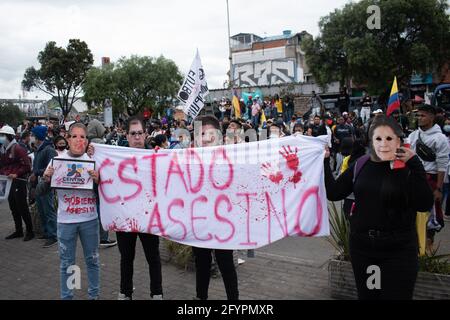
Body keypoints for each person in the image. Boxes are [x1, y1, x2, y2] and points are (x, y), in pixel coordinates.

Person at [324, 115, 434, 299]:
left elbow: (424, 204)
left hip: (398, 251)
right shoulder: (360, 164)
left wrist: (415, 165)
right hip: (364, 250)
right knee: (369, 296)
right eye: (378, 138)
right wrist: (325, 162)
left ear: (399, 140)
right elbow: (334, 193)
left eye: (389, 138)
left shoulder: (407, 168)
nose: (384, 143)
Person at [91, 116, 163, 300]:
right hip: (124, 217)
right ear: (127, 135)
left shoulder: (156, 156)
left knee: (153, 258)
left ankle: (157, 293)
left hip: (149, 217)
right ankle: (125, 292)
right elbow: (99, 182)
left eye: (140, 133)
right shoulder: (114, 157)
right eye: (133, 133)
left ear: (145, 134)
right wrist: (94, 157)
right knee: (126, 258)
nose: (137, 137)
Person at [41, 122, 100, 300]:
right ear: (67, 139)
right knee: (68, 264)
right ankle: (68, 296)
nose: (78, 140)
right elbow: (40, 192)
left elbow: (104, 194)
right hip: (66, 221)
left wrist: (98, 182)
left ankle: (94, 296)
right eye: (74, 136)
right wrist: (45, 179)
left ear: (87, 140)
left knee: (93, 261)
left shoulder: (93, 161)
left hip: (89, 219)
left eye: (82, 136)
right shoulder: (56, 161)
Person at [192, 115, 239, 300]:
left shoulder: (232, 160)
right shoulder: (189, 160)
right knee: (202, 266)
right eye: (202, 133)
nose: (205, 138)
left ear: (218, 136)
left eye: (210, 134)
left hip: (223, 224)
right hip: (200, 224)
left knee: (226, 265)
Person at [408, 104, 450, 248]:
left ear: (431, 117)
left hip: (430, 181)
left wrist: (438, 188)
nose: (419, 118)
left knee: (429, 216)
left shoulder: (440, 139)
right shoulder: (413, 136)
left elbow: (442, 164)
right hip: (413, 179)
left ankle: (427, 247)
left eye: (423, 115)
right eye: (418, 115)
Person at [0, 125, 34, 241]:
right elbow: (4, 165)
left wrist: (16, 173)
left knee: (22, 206)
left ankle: (30, 231)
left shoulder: (18, 149)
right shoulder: (4, 149)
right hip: (8, 182)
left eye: (2, 135)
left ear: (9, 136)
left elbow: (27, 166)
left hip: (18, 181)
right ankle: (18, 230)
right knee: (13, 206)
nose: (1, 137)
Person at [31, 125, 58, 248]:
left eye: (33, 135)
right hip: (39, 183)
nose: (31, 137)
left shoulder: (48, 149)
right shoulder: (39, 148)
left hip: (46, 184)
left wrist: (37, 172)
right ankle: (47, 232)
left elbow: (53, 166)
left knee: (48, 210)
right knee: (42, 209)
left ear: (38, 137)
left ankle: (53, 235)